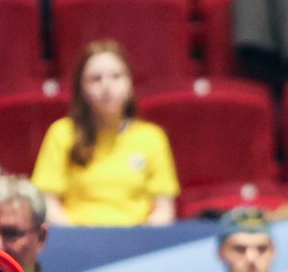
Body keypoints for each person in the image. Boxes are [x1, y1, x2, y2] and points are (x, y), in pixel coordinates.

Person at [31, 40, 179, 227]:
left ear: (130, 84)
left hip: (137, 237)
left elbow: (164, 209)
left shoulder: (152, 137)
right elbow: (47, 200)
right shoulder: (62, 133)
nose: (106, 86)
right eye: (95, 79)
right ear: (81, 89)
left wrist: (140, 236)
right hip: (77, 236)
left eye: (116, 76)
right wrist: (78, 235)